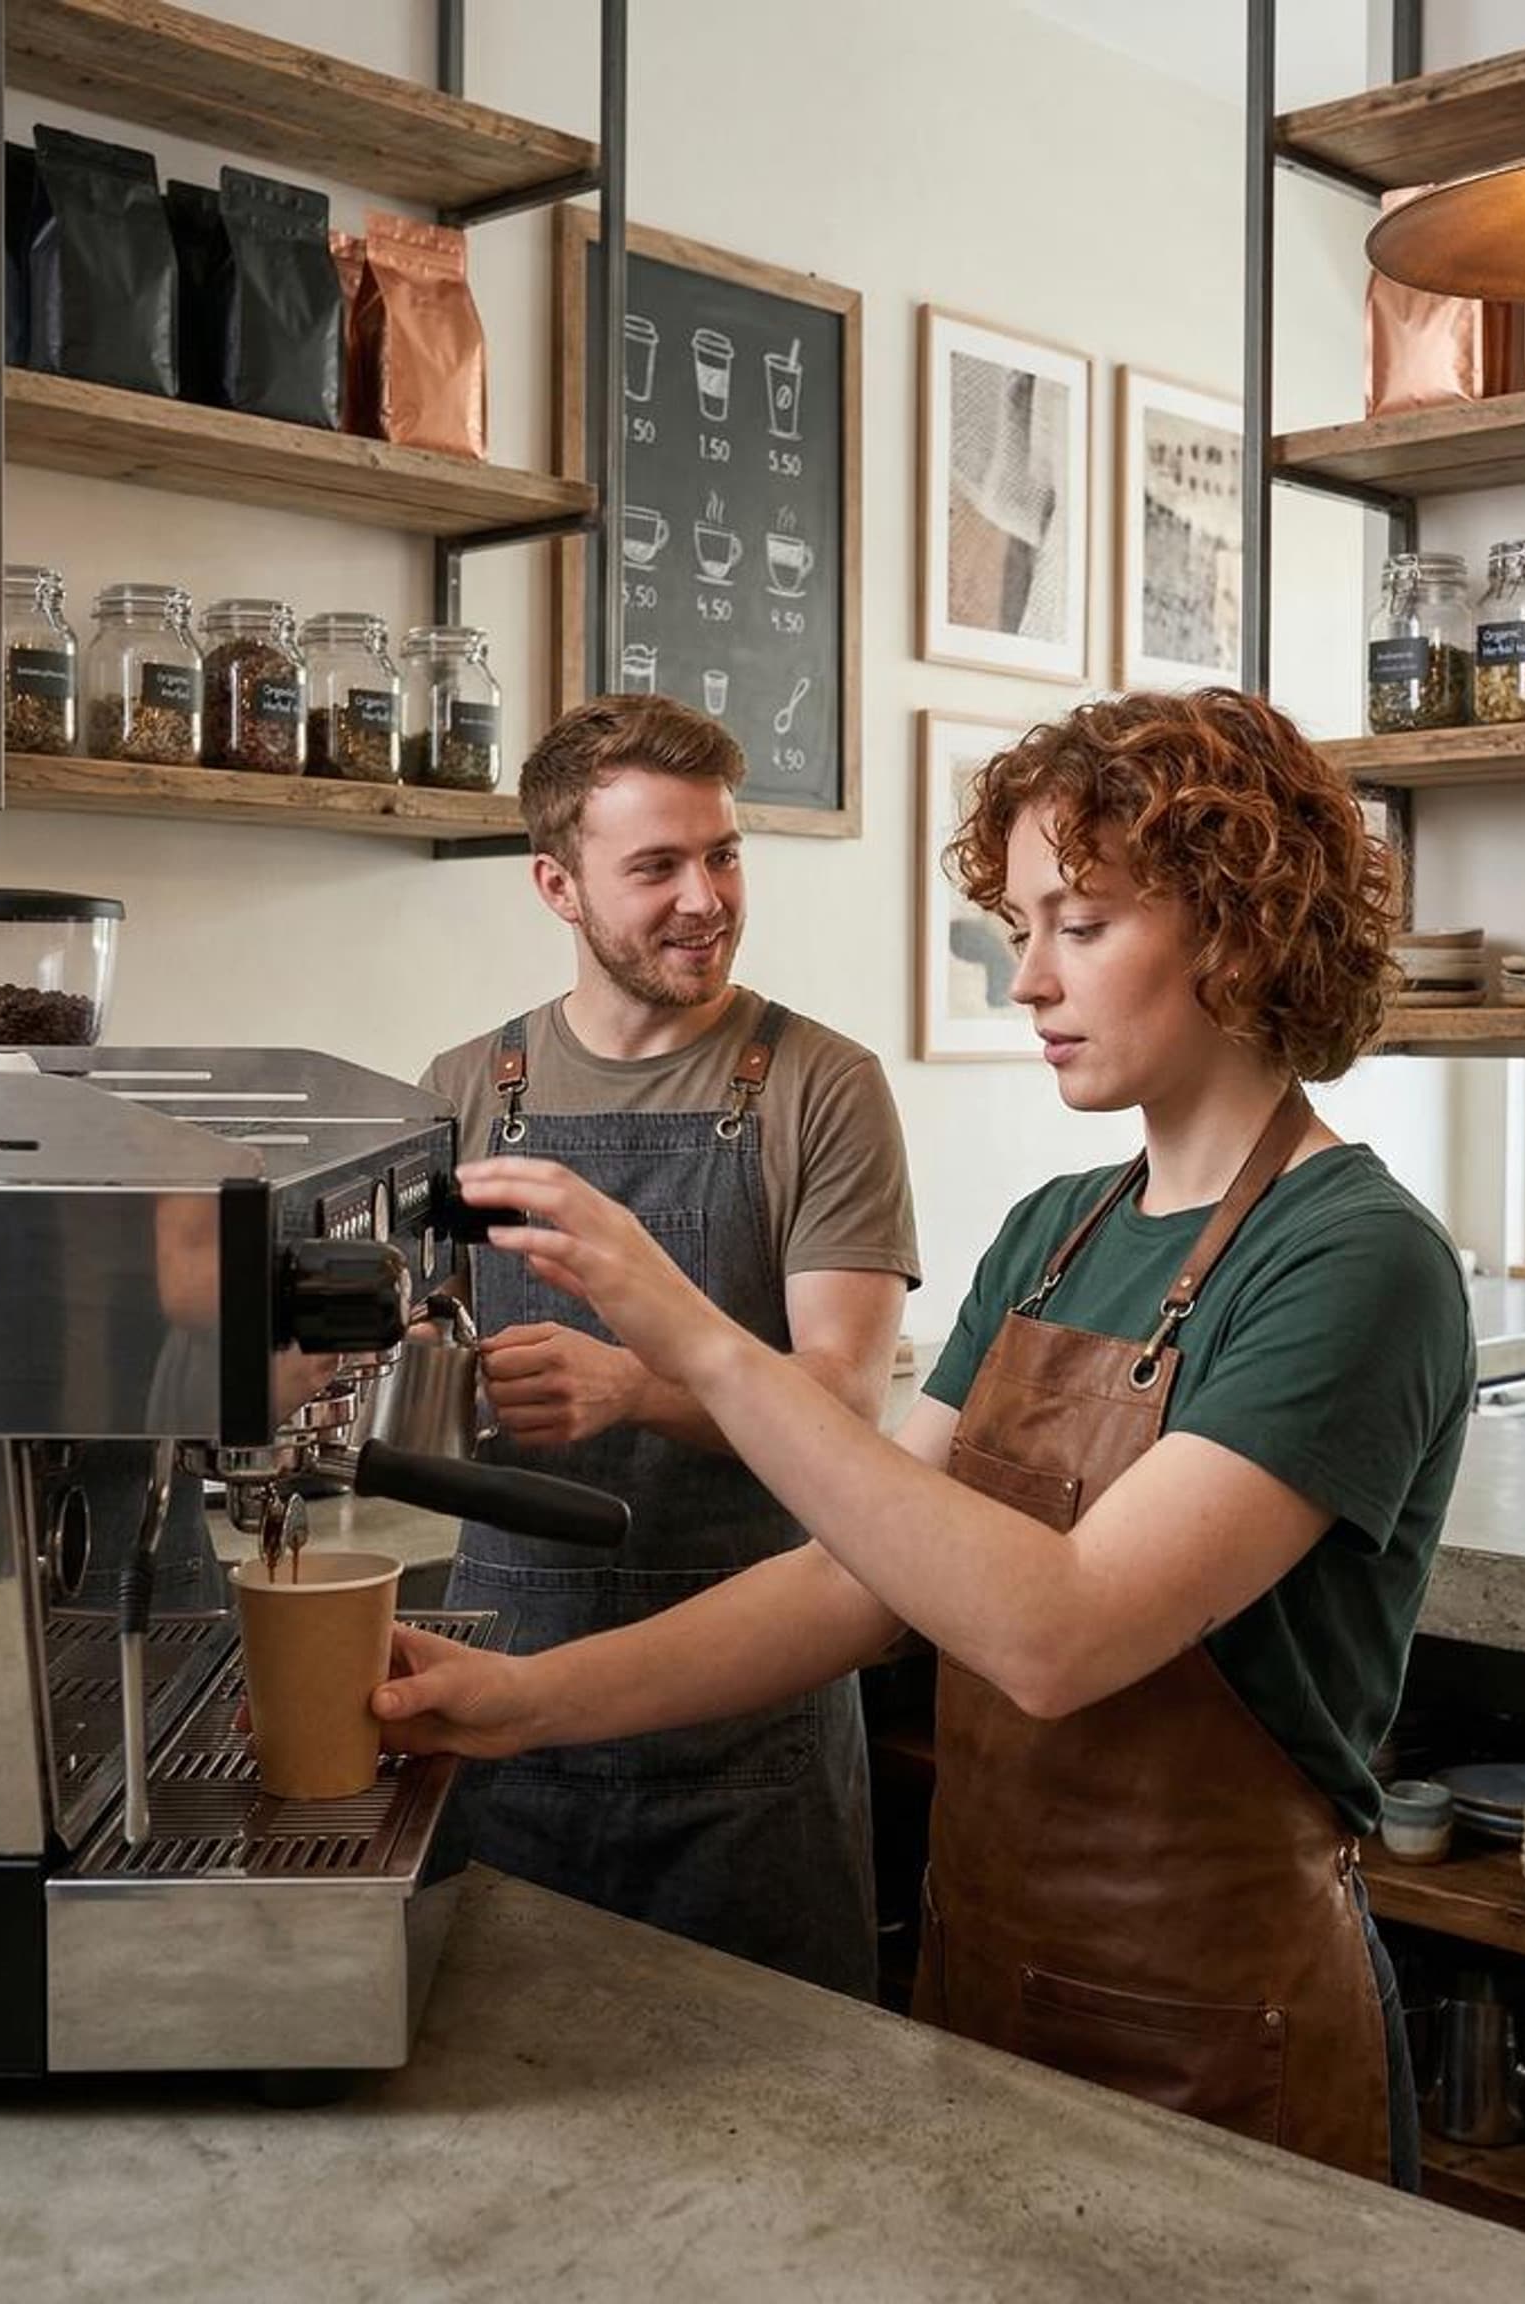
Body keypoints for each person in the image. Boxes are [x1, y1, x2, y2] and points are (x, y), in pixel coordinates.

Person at [386, 688, 1475, 2188]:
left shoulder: (1354, 1260)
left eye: (1078, 925)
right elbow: (861, 1575)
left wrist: (677, 1329)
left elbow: (1059, 1634)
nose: (1024, 980)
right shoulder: (1058, 1230)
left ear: (1235, 927)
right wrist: (521, 1702)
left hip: (1226, 2037)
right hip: (981, 1987)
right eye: (1021, 926)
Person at [419, 693, 920, 2000]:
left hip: (751, 1735)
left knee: (780, 2113)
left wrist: (634, 1385)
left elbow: (848, 1405)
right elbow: (391, 1370)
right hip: (505, 1691)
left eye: (725, 854)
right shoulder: (466, 1092)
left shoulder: (821, 1085)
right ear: (556, 884)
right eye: (656, 866)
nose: (705, 898)